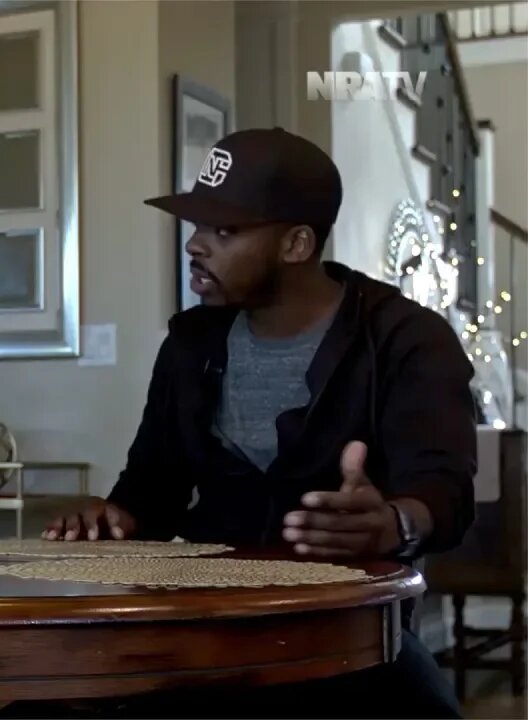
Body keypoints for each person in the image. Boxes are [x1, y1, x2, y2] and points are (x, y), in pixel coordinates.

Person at [41, 128, 474, 719]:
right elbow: (151, 491)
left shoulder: (406, 339)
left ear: (296, 243)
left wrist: (390, 524)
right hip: (204, 627)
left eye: (224, 231)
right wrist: (111, 518)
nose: (195, 245)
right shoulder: (191, 342)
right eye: (197, 226)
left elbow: (446, 494)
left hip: (349, 636)